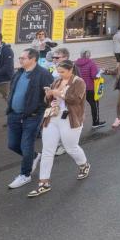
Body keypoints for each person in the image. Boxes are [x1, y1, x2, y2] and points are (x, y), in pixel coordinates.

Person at [27, 60, 91, 197]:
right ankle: (43, 183)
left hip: (70, 118)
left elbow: (76, 100)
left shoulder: (79, 82)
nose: (60, 74)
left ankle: (84, 165)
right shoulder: (56, 81)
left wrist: (59, 94)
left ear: (71, 69)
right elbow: (47, 100)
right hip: (53, 117)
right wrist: (49, 96)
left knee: (71, 147)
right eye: (58, 71)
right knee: (47, 150)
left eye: (62, 72)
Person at [5, 48, 54, 189]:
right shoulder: (19, 72)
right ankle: (34, 156)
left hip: (32, 117)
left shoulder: (43, 74)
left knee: (26, 146)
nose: (20, 60)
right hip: (14, 114)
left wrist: (38, 111)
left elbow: (50, 96)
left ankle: (25, 175)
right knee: (13, 145)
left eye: (23, 58)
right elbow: (13, 91)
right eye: (20, 58)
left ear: (33, 59)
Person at [74, 50, 106, 128]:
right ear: (88, 55)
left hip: (79, 87)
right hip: (90, 88)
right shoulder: (91, 63)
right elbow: (95, 76)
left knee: (78, 106)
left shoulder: (76, 63)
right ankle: (95, 122)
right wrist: (101, 71)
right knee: (94, 105)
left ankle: (76, 123)